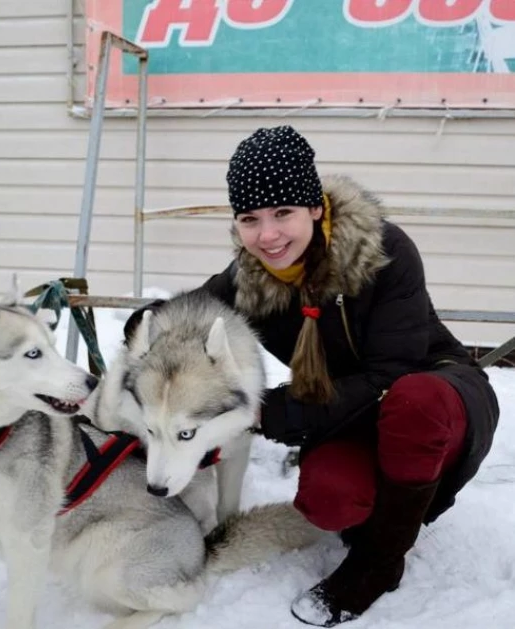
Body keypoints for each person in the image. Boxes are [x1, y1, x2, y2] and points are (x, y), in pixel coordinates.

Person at [126, 125, 500, 626]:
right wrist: (146, 330)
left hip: (437, 396)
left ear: (316, 208)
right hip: (349, 415)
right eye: (250, 219)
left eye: (283, 213)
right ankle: (381, 511)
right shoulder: (252, 278)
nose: (268, 234)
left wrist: (281, 411)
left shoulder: (384, 252)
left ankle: (378, 564)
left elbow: (390, 374)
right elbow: (191, 310)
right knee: (327, 501)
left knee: (413, 403)